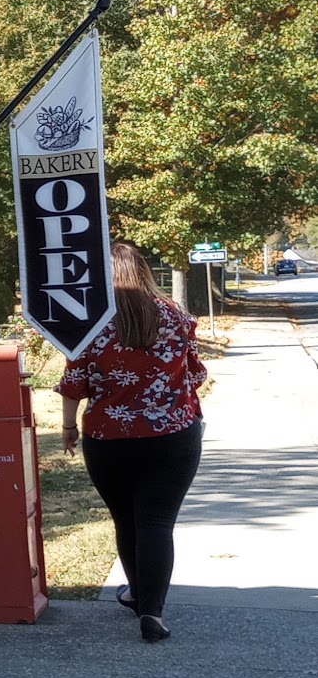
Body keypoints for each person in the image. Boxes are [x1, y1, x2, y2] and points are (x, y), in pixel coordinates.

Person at [60, 242, 207, 642]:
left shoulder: (91, 322)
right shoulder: (177, 317)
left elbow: (75, 382)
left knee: (126, 519)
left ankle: (137, 592)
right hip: (173, 435)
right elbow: (195, 373)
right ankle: (152, 612)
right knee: (157, 521)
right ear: (143, 271)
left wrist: (69, 426)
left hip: (109, 438)